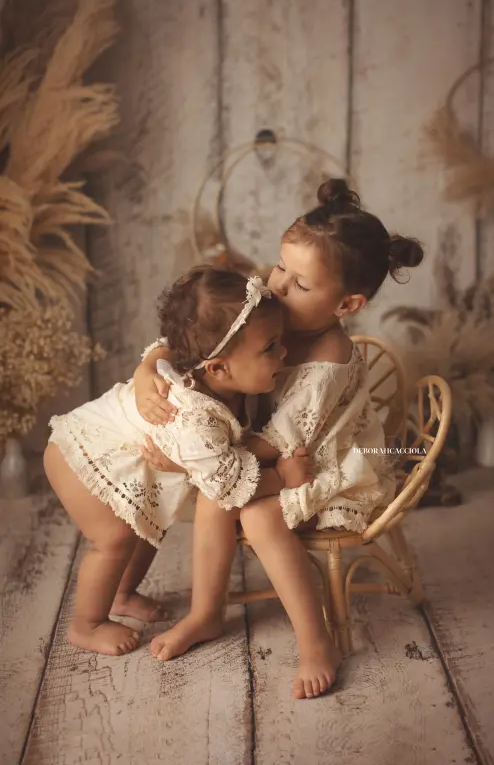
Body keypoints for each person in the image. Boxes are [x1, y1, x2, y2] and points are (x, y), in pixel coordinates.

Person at [136, 179, 424, 699]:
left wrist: (192, 460)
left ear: (346, 303)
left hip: (324, 466)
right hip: (260, 456)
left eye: (300, 284)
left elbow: (279, 440)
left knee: (254, 509)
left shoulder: (329, 355)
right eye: (280, 267)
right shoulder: (266, 308)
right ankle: (206, 613)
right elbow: (201, 334)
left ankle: (316, 642)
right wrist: (145, 369)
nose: (278, 286)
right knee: (221, 497)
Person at [43, 267, 312, 657]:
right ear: (218, 367)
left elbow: (169, 343)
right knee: (114, 539)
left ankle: (120, 594)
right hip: (81, 452)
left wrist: (148, 363)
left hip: (122, 454)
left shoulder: (208, 363)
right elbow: (228, 484)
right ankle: (87, 624)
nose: (284, 353)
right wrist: (283, 477)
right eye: (271, 347)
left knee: (149, 526)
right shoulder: (191, 416)